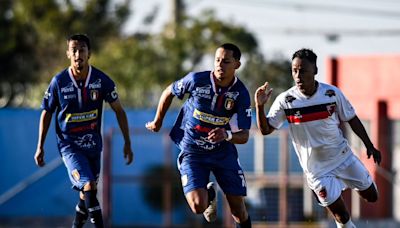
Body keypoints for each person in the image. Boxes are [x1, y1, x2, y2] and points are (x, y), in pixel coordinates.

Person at [254, 48, 381, 228]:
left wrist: (369, 145)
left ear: (315, 71)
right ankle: (333, 197)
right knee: (342, 216)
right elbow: (265, 130)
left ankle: (341, 184)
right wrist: (259, 106)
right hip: (317, 171)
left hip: (343, 157)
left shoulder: (332, 94)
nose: (298, 75)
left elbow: (351, 118)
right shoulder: (286, 100)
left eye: (303, 70)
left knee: (372, 197)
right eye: (294, 70)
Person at [146, 43, 252, 227]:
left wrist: (226, 134)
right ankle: (209, 195)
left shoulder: (241, 94)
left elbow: (244, 135)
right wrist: (157, 121)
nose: (220, 65)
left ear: (237, 64)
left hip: (222, 153)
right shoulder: (196, 80)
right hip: (193, 152)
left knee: (238, 211)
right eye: (217, 60)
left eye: (226, 61)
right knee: (197, 206)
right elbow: (168, 91)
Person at [34, 34, 134, 228]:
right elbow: (46, 113)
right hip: (69, 146)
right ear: (68, 54)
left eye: (82, 50)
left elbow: (119, 111)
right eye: (74, 50)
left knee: (87, 193)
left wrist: (127, 142)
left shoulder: (101, 80)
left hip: (93, 146)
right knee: (88, 186)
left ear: (89, 54)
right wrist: (40, 146)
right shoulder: (59, 82)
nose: (78, 54)